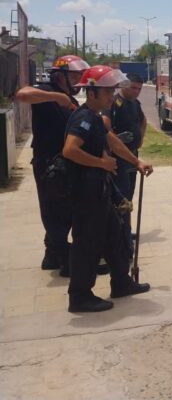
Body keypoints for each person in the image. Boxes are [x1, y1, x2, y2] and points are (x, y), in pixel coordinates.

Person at [62, 65, 152, 313]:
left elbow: (112, 140)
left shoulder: (96, 118)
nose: (112, 96)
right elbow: (70, 150)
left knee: (115, 237)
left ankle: (121, 283)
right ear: (91, 93)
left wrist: (136, 161)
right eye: (107, 92)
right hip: (85, 193)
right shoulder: (83, 119)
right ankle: (79, 296)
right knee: (87, 244)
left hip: (100, 191)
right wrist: (101, 162)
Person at [15, 55, 88, 276]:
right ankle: (66, 261)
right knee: (55, 212)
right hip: (48, 163)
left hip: (65, 163)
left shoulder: (70, 99)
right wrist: (54, 96)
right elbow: (21, 94)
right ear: (60, 76)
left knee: (63, 210)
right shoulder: (46, 90)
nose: (77, 80)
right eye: (74, 75)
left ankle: (51, 256)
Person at [106, 73, 147, 257]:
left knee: (129, 196)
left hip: (133, 157)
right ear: (125, 85)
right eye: (133, 87)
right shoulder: (114, 103)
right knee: (120, 199)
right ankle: (120, 237)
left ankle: (125, 230)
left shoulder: (134, 104)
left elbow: (143, 121)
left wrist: (140, 140)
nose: (136, 91)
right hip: (118, 160)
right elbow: (106, 130)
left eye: (139, 88)